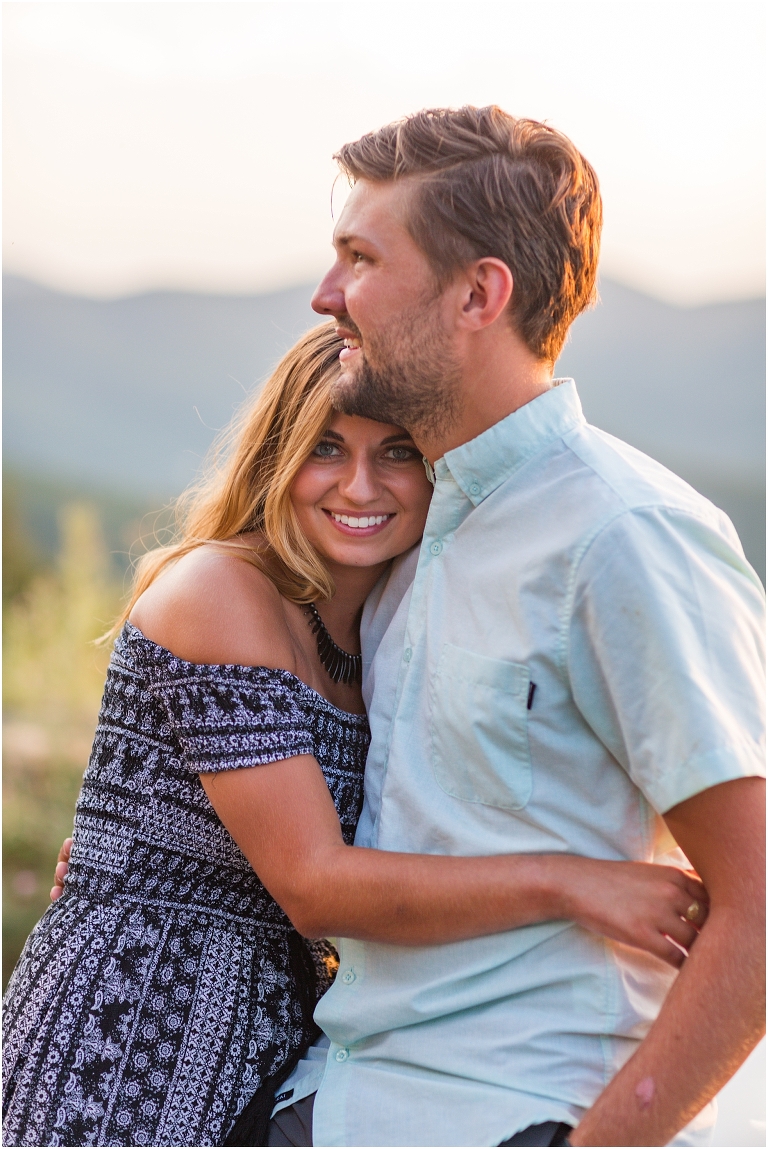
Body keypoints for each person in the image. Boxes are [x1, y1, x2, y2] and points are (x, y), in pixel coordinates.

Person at [2, 325, 707, 1149]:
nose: (361, 485)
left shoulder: (387, 624)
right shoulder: (221, 591)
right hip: (133, 1039)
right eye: (327, 449)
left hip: (279, 1052)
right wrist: (577, 883)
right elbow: (316, 883)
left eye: (398, 452)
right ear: (278, 455)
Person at [260, 107, 765, 1147]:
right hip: (341, 1097)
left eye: (360, 257)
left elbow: (758, 906)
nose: (325, 296)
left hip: (512, 1113)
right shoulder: (411, 531)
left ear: (478, 294)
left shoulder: (624, 536)